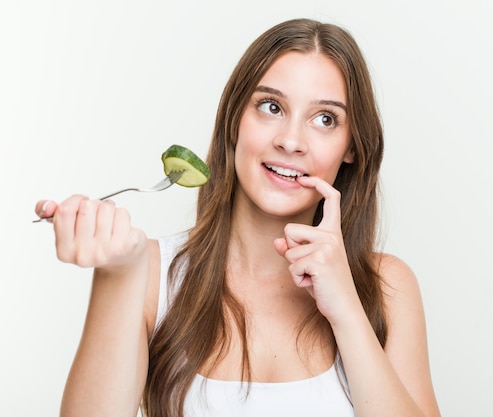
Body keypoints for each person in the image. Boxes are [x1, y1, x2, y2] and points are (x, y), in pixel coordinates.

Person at [35, 18, 441, 417]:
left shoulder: (388, 287)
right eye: (271, 107)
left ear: (351, 146)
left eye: (325, 119)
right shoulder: (151, 275)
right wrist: (118, 274)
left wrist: (347, 309)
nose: (290, 141)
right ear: (235, 121)